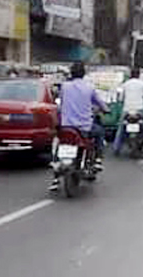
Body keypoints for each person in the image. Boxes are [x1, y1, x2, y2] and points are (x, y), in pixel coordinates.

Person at [50, 62, 109, 191]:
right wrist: (106, 109)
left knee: (58, 143)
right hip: (84, 128)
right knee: (99, 132)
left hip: (66, 126)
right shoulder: (89, 88)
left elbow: (60, 102)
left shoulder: (65, 87)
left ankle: (55, 177)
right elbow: (100, 103)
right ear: (84, 74)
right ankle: (98, 159)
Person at [112, 68, 143, 155]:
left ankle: (116, 147)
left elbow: (120, 99)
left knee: (120, 128)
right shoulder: (142, 84)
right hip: (140, 109)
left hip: (127, 110)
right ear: (139, 75)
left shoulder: (125, 84)